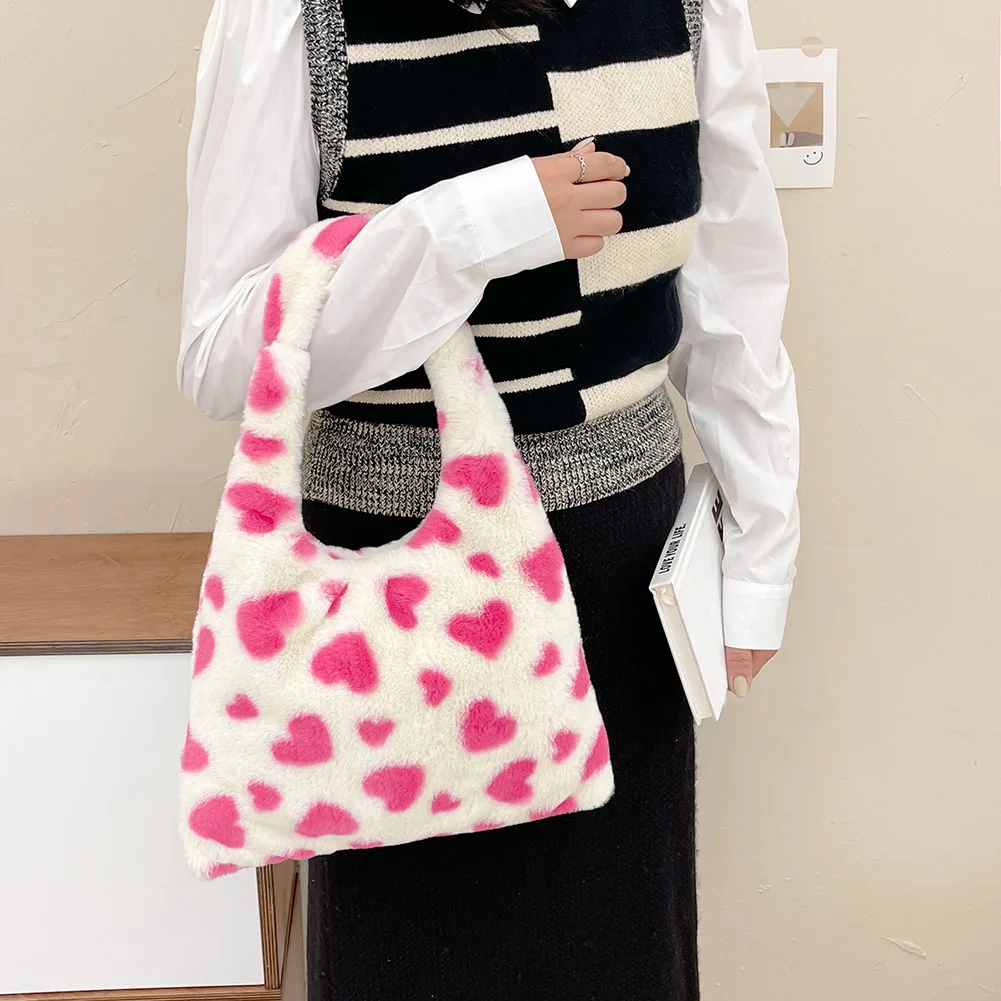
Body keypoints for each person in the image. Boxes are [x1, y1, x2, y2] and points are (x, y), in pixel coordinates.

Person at [178, 0, 800, 997]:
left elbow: (731, 294)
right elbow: (220, 354)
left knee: (619, 960)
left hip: (621, 581)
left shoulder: (688, 9)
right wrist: (471, 227)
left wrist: (760, 555)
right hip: (387, 607)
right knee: (405, 957)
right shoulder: (293, 16)